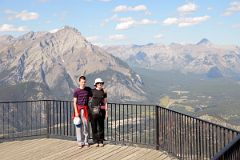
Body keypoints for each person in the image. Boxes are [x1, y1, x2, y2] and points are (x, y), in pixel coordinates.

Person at [73, 76, 92, 148]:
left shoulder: (88, 89)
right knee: (78, 125)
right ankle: (80, 141)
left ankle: (86, 141)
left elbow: (90, 97)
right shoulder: (76, 91)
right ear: (79, 82)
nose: (83, 83)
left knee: (86, 125)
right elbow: (74, 102)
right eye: (82, 82)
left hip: (85, 109)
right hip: (78, 109)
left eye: (84, 82)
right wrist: (76, 112)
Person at [90, 78, 108, 147]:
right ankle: (95, 141)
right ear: (96, 84)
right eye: (99, 83)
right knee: (94, 126)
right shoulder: (92, 91)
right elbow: (88, 100)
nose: (100, 84)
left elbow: (105, 102)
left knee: (101, 126)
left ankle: (101, 140)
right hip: (93, 111)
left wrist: (106, 112)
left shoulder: (104, 92)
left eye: (101, 83)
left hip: (101, 111)